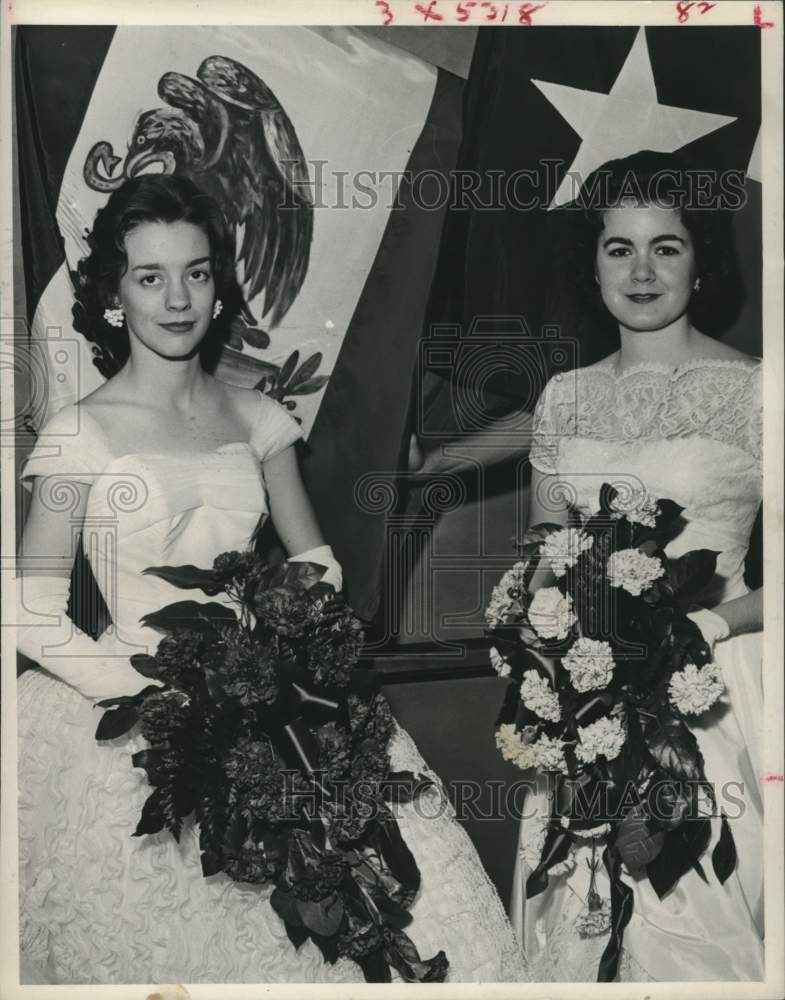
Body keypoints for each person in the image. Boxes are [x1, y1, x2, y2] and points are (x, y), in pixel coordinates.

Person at [14, 175, 527, 985]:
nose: (177, 297)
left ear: (219, 285)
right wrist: (143, 691)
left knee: (357, 917)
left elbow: (315, 559)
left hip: (273, 699)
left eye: (196, 271)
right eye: (149, 277)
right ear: (114, 296)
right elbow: (27, 608)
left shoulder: (256, 416)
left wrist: (288, 643)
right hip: (134, 713)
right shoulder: (83, 431)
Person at [510, 151, 764, 981]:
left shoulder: (761, 392)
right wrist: (537, 643)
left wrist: (704, 622)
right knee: (587, 922)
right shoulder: (564, 397)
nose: (643, 269)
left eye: (667, 245)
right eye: (619, 248)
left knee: (698, 919)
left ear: (702, 262)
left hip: (717, 693)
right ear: (592, 267)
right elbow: (548, 553)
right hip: (588, 702)